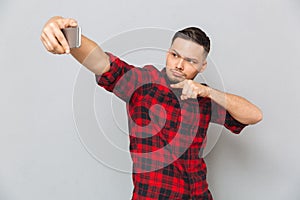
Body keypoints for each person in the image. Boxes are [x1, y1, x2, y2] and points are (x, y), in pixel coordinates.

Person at [41, 16, 263, 200]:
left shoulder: (202, 97)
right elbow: (101, 62)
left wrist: (209, 92)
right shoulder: (142, 82)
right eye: (174, 55)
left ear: (202, 65)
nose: (178, 64)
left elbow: (254, 115)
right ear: (167, 52)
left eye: (190, 61)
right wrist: (66, 34)